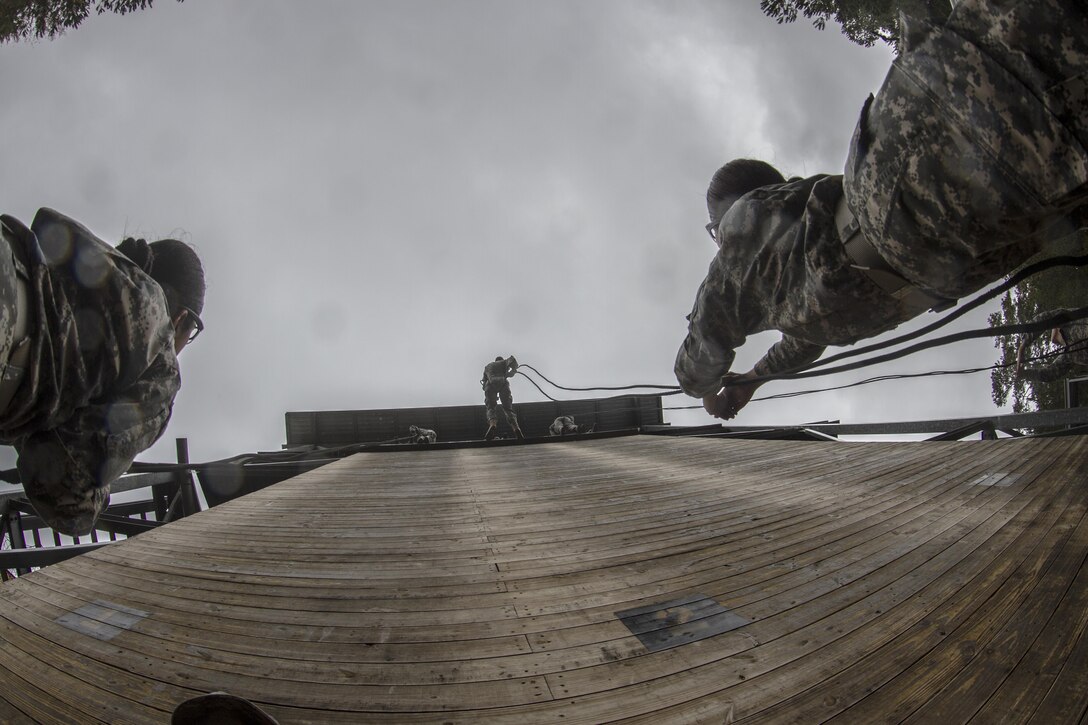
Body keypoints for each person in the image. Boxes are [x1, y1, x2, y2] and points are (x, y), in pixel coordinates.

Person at [675, 0, 1088, 419]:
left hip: (943, 153)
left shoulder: (744, 233)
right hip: (997, 215)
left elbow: (701, 350)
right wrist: (751, 381)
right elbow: (802, 344)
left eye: (716, 230)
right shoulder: (793, 286)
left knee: (1039, 42)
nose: (719, 243)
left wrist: (705, 388)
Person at [0, 208, 205, 536]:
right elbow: (63, 491)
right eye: (192, 332)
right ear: (182, 319)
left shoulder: (85, 265)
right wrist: (97, 497)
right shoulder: (160, 352)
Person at [1015, 309, 1088, 383]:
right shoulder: (1070, 355)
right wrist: (1025, 374)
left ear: (1057, 328)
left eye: (1055, 335)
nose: (1053, 340)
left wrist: (1024, 344)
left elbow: (1045, 318)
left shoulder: (1068, 322)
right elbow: (1049, 374)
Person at [481, 355, 523, 440]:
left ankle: (492, 424)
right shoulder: (503, 362)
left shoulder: (488, 366)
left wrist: (493, 395)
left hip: (489, 384)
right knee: (508, 408)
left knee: (491, 408)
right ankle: (516, 428)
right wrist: (514, 370)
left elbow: (483, 385)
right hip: (503, 383)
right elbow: (512, 360)